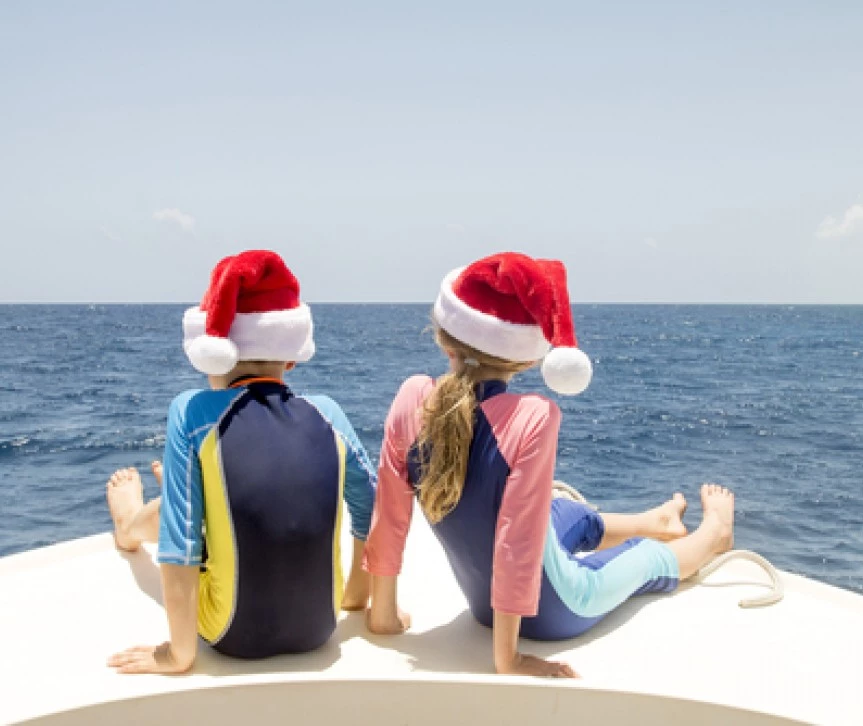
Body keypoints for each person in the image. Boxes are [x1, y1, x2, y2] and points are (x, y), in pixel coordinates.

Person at [362, 252, 734, 678]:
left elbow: (388, 515)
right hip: (556, 609)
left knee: (563, 511)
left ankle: (655, 519)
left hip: (483, 604)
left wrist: (383, 615)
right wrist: (510, 660)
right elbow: (516, 542)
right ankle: (711, 536)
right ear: (527, 359)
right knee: (646, 558)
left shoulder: (412, 397)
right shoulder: (532, 416)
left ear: (446, 339)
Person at [106, 249, 376, 674]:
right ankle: (183, 489)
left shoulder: (192, 411)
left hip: (233, 637)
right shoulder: (329, 412)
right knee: (222, 501)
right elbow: (370, 504)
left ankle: (130, 523)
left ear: (208, 351)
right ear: (291, 356)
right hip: (321, 628)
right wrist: (357, 594)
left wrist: (178, 653)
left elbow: (181, 542)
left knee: (190, 513)